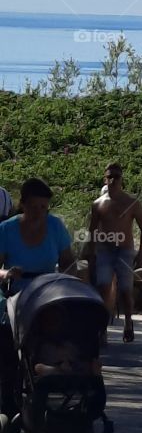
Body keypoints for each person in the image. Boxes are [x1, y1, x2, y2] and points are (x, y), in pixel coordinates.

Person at [0, 178, 77, 419]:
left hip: (47, 290)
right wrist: (6, 273)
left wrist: (69, 279)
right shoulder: (6, 229)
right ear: (22, 204)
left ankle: (59, 372)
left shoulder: (55, 226)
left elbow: (69, 263)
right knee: (6, 341)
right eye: (34, 207)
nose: (39, 212)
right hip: (16, 291)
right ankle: (8, 403)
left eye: (44, 207)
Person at [88, 163, 142, 344]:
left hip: (124, 250)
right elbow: (92, 231)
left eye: (116, 177)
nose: (113, 180)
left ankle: (128, 322)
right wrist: (91, 253)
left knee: (125, 290)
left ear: (122, 179)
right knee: (103, 287)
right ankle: (102, 327)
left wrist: (140, 253)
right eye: (110, 177)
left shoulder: (131, 203)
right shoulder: (98, 204)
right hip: (104, 250)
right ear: (105, 179)